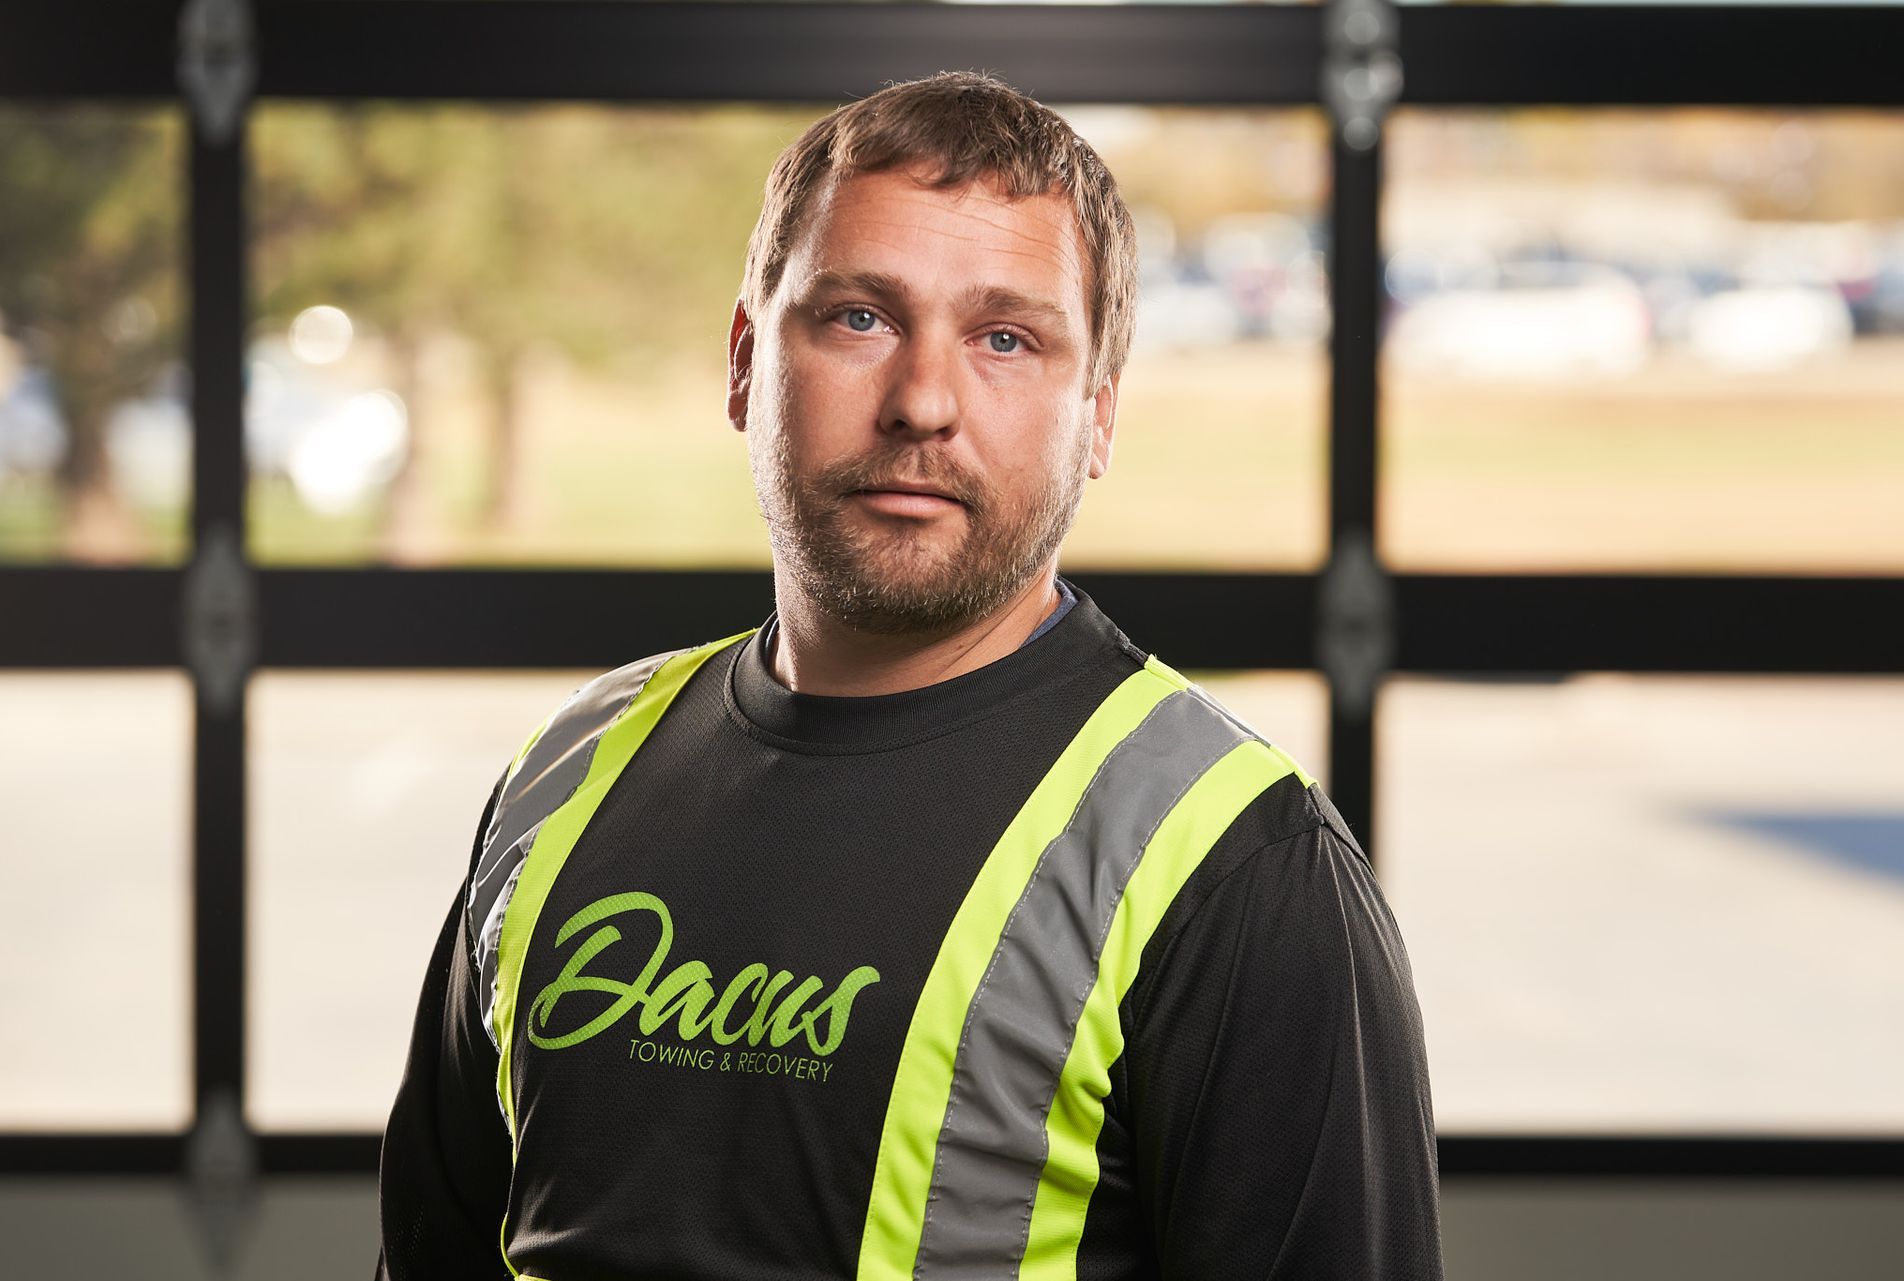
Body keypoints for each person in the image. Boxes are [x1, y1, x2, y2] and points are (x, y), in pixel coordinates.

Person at [377, 71, 1442, 1280]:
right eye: (859, 319)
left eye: (1006, 339)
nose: (923, 402)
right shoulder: (566, 775)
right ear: (746, 363)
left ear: (1097, 416)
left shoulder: (1239, 869)